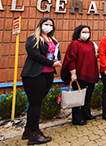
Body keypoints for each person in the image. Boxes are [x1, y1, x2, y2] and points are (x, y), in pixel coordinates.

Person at [21, 17, 62, 145]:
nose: (48, 26)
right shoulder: (33, 38)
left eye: (51, 24)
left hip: (48, 75)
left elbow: (56, 53)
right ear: (40, 25)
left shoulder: (53, 39)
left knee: (36, 103)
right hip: (34, 75)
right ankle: (34, 134)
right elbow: (35, 55)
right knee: (35, 104)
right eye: (46, 24)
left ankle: (28, 130)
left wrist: (57, 61)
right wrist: (51, 63)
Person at [61, 25, 99, 126]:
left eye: (88, 32)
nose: (86, 34)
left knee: (88, 95)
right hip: (79, 74)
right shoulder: (74, 44)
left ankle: (86, 114)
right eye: (84, 32)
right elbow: (71, 59)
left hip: (90, 74)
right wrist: (73, 74)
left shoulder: (91, 44)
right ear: (79, 33)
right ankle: (77, 118)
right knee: (78, 96)